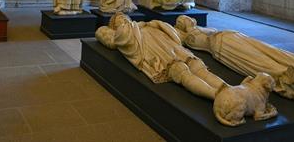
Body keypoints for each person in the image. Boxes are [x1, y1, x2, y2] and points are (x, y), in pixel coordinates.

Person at [96, 13, 277, 125]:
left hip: (173, 47)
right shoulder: (124, 32)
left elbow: (173, 34)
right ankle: (215, 95)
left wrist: (155, 24)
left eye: (123, 17)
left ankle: (228, 90)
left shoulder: (147, 25)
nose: (123, 19)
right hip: (157, 54)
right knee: (182, 73)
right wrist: (123, 27)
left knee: (198, 66)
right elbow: (116, 39)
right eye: (118, 19)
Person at [175, 16, 294, 106]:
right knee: (256, 50)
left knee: (241, 48)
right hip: (231, 41)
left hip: (230, 44)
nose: (188, 21)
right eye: (187, 22)